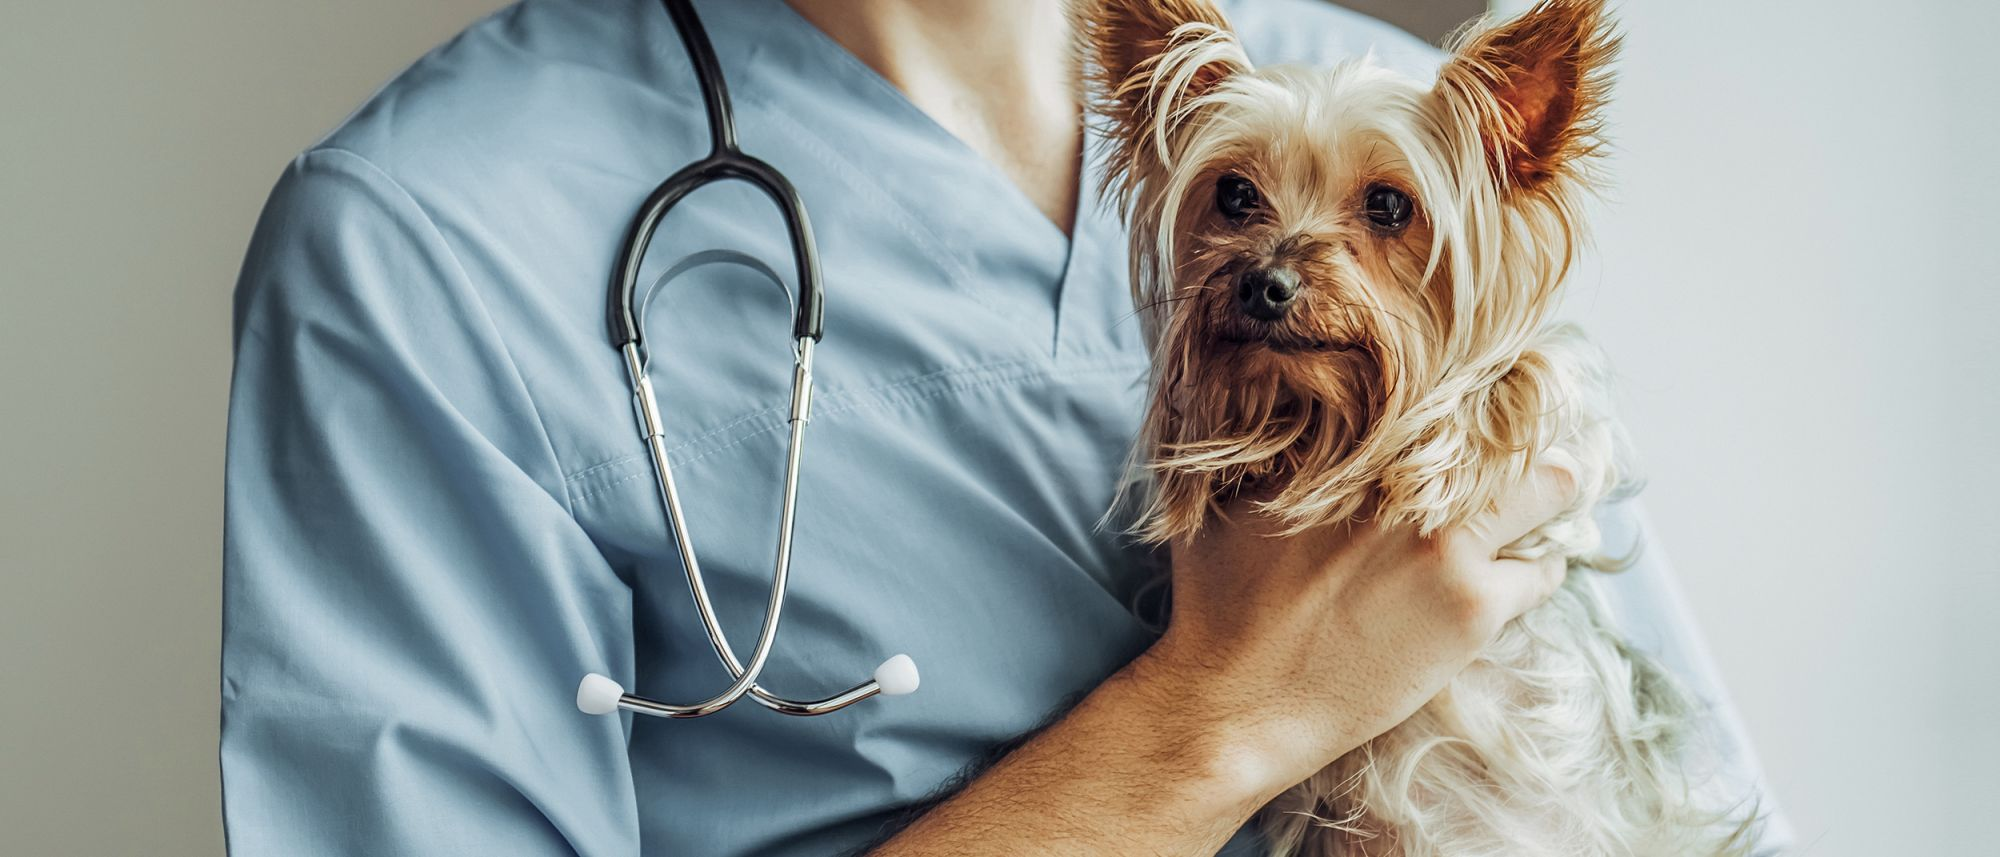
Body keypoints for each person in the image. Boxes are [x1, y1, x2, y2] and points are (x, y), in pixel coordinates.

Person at [219, 0, 1790, 854]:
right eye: (1234, 206)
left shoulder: (1376, 105)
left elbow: (1683, 800)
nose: (1286, 241)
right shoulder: (427, 238)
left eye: (1369, 217)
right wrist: (1222, 715)